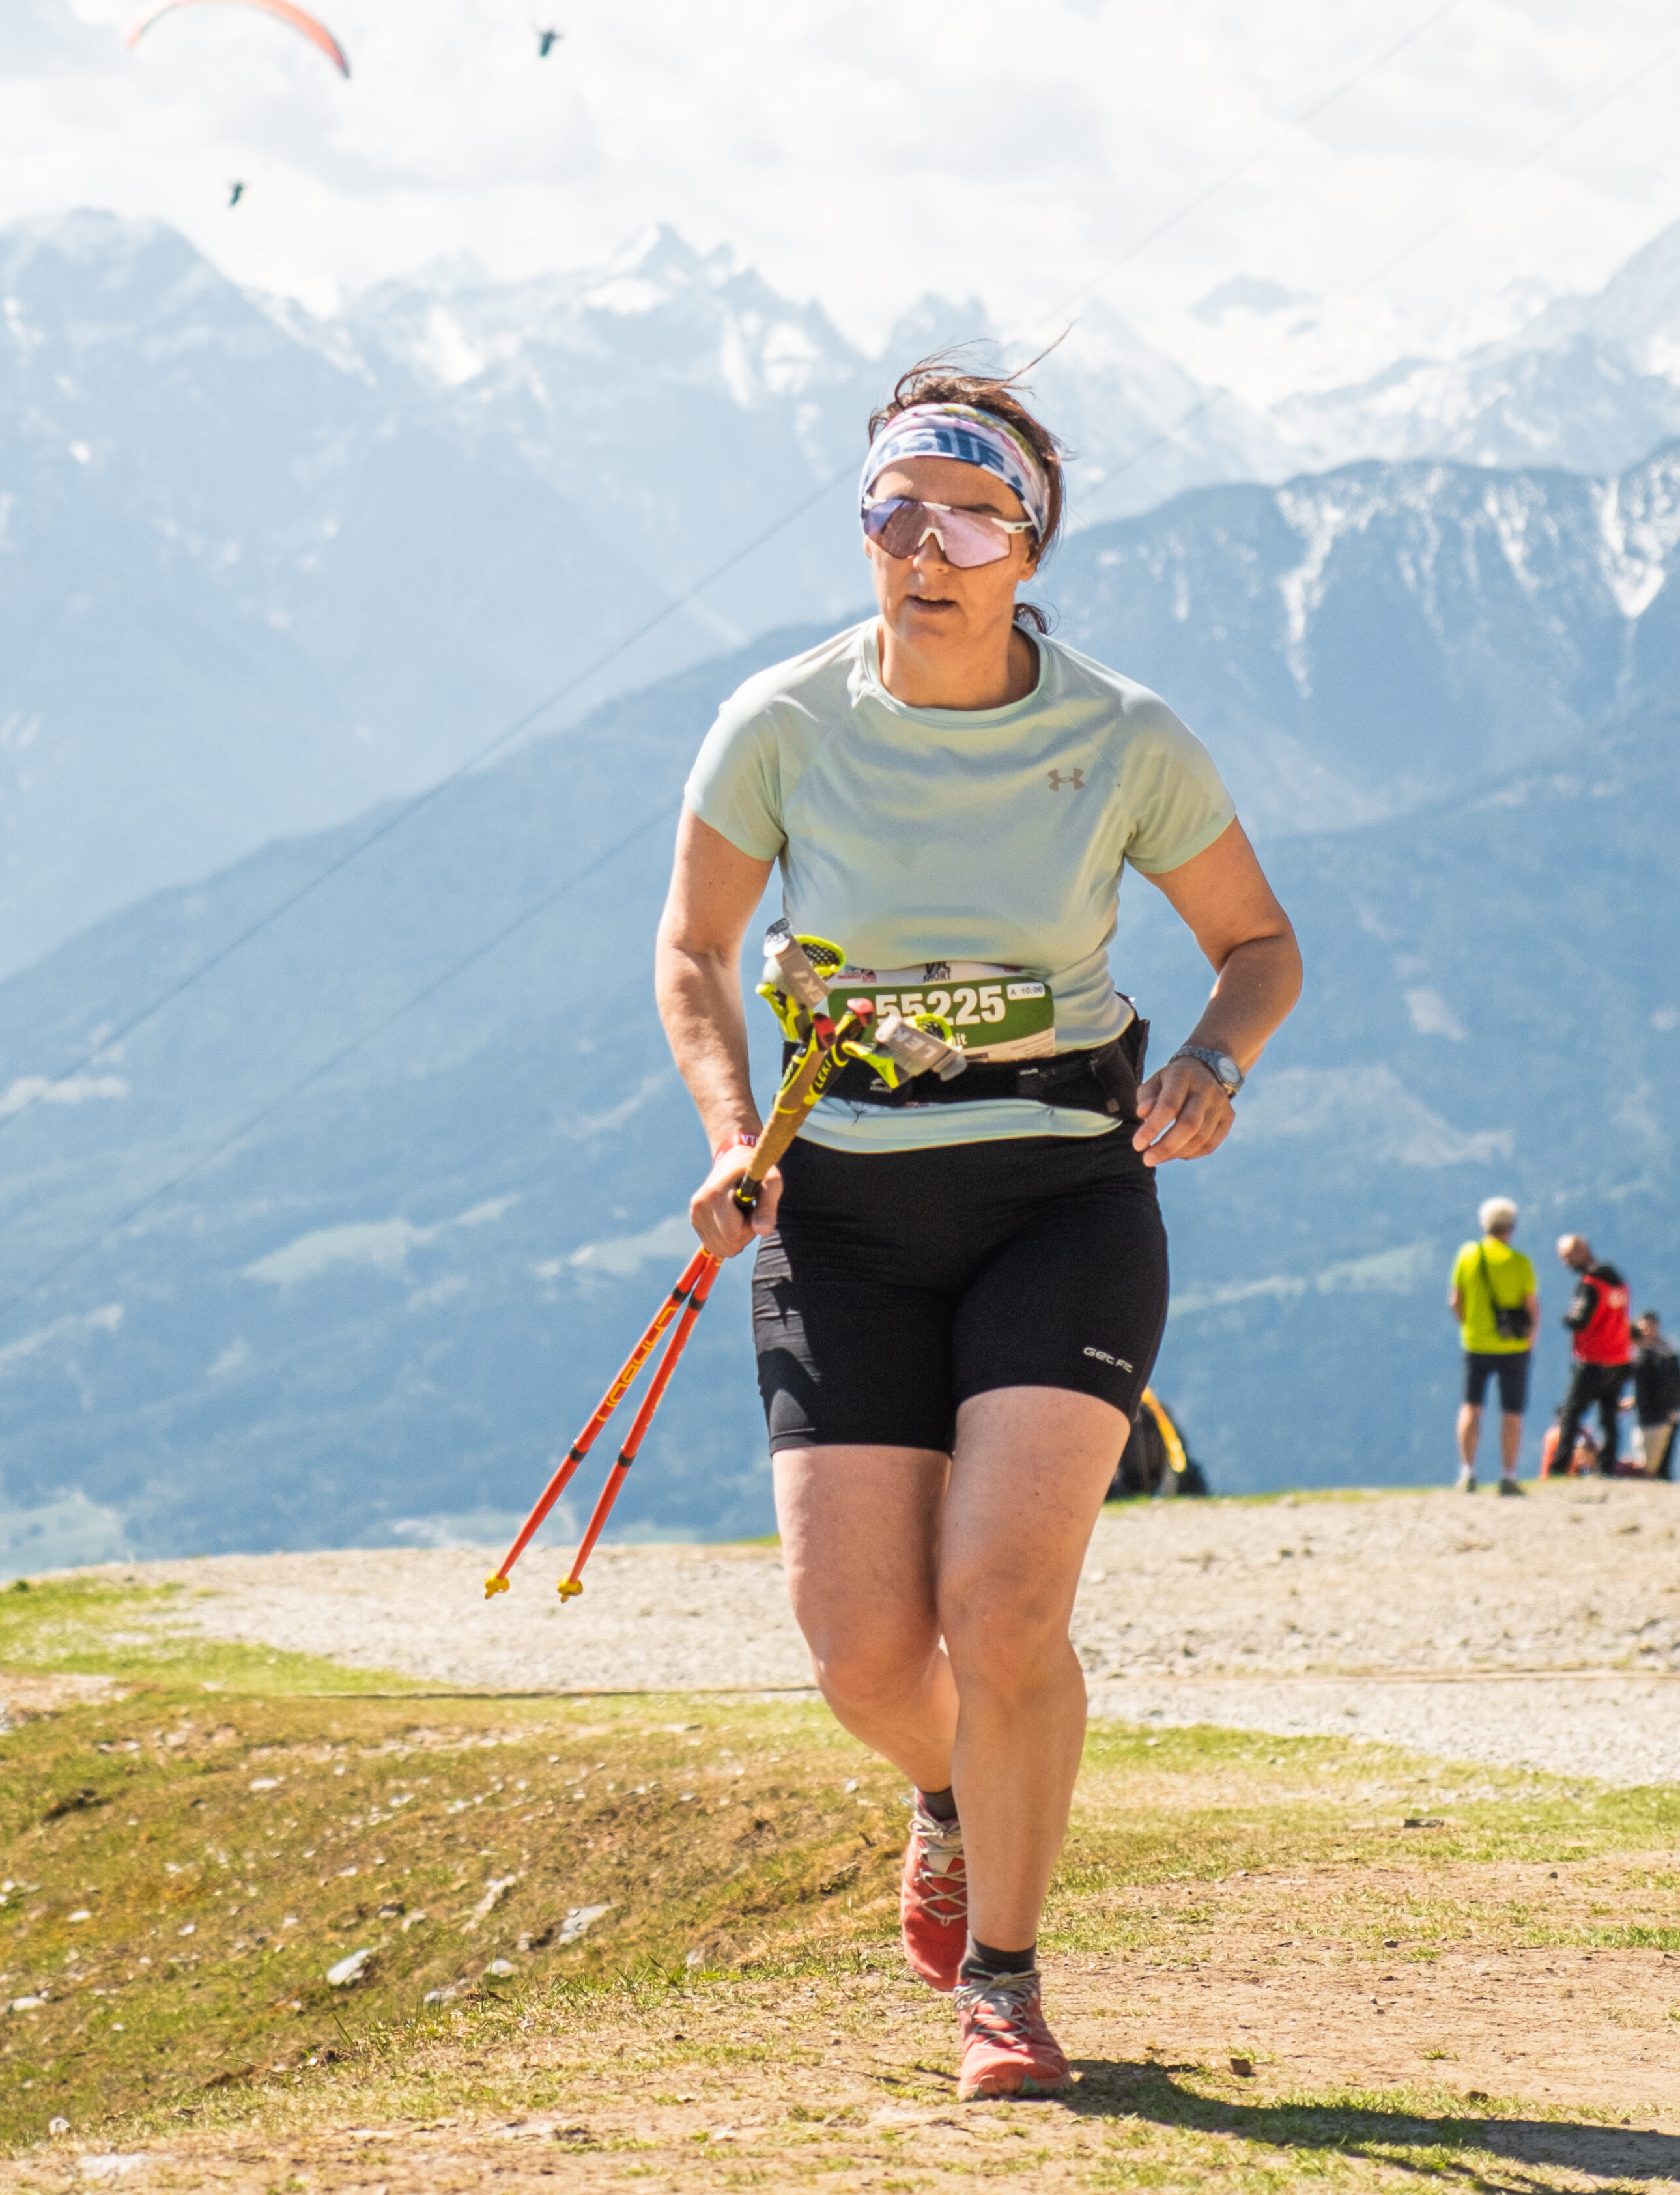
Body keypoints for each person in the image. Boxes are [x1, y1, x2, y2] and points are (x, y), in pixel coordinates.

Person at [657, 365, 1302, 2102]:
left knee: (1000, 1611)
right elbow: (692, 953)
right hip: (843, 1210)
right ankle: (949, 1790)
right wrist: (732, 1132)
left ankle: (1004, 1986)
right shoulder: (780, 726)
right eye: (890, 512)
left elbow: (1260, 945)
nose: (919, 552)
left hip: (1062, 1197)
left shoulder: (1124, 737)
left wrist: (1218, 1060)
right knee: (866, 1654)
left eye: (963, 519)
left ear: (1028, 547)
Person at [1451, 1199, 1539, 1496]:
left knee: (1471, 1407)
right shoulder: (1520, 1262)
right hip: (1513, 1348)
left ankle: (1467, 1473)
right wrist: (1530, 1344)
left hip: (1475, 1344)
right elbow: (1531, 1309)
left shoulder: (1467, 1255)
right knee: (1512, 1413)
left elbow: (1455, 1300)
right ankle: (1508, 1476)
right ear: (1511, 1228)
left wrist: (1468, 1326)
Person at [1549, 1234, 1632, 1475]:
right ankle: (1607, 1467)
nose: (1566, 1263)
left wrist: (1567, 1319)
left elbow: (1580, 1319)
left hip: (1593, 1360)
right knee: (1609, 1417)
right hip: (1619, 1358)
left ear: (1583, 1250)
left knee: (1572, 1414)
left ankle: (1559, 1467)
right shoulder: (1618, 1282)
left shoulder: (1590, 1284)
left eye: (1568, 1256)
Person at [1629, 1311, 1680, 1477]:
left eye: (1649, 1327)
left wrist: (1674, 1408)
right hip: (1644, 1416)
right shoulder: (1640, 1353)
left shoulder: (1666, 1355)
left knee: (1656, 1467)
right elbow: (1646, 1388)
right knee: (1645, 1463)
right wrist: (1634, 1402)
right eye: (1643, 1328)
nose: (1646, 1332)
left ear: (1657, 1328)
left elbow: (1673, 1386)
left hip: (1663, 1417)